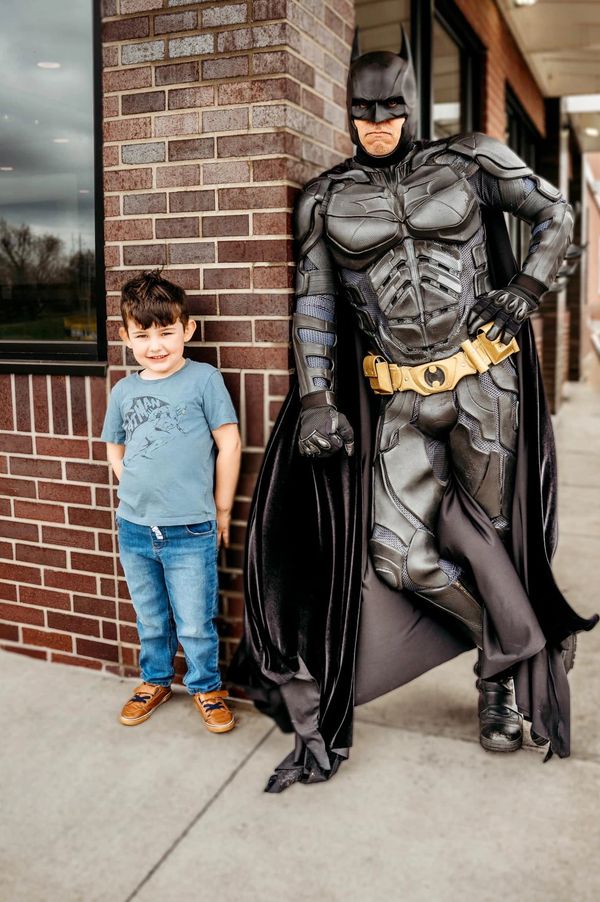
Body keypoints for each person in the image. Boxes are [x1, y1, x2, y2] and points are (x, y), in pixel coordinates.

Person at [231, 38, 597, 791]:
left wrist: (526, 290)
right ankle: (521, 639)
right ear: (347, 111)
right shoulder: (325, 200)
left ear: (411, 102)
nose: (376, 122)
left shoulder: (468, 162)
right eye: (362, 111)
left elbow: (558, 214)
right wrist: (315, 399)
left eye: (390, 106)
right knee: (399, 554)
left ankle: (495, 688)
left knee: (495, 540)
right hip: (396, 396)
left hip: (482, 388)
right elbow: (315, 307)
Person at [101, 270, 241, 733]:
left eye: (166, 332)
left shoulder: (203, 380)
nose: (156, 344)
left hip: (191, 529)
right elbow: (114, 446)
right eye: (143, 335)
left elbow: (229, 443)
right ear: (126, 336)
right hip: (134, 527)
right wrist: (133, 482)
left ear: (188, 330)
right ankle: (155, 680)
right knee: (151, 616)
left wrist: (222, 510)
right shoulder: (124, 390)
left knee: (196, 621)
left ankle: (205, 687)